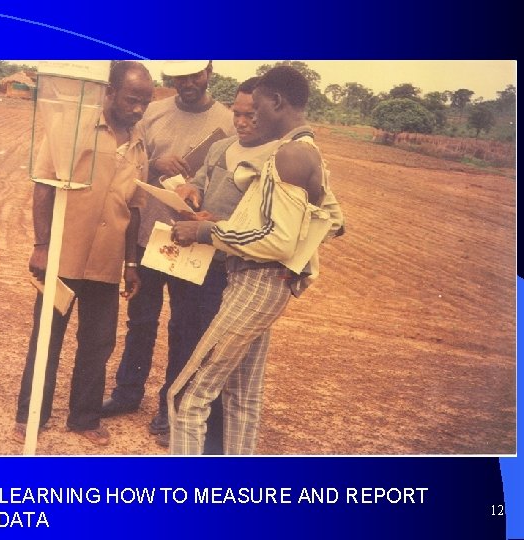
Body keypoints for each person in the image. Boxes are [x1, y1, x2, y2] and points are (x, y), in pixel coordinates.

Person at [168, 66, 345, 455]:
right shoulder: (309, 151)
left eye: (258, 107)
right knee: (242, 398)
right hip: (271, 286)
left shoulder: (289, 154)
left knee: (187, 397)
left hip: (252, 284)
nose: (252, 116)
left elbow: (278, 241)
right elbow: (333, 221)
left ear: (277, 102)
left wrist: (207, 233)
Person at [13, 61, 154, 447]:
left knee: (98, 342)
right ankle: (31, 415)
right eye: (132, 99)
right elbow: (43, 187)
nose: (138, 109)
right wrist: (42, 247)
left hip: (107, 263)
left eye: (145, 101)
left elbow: (135, 208)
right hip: (63, 254)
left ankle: (84, 417)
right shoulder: (71, 126)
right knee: (48, 336)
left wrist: (130, 264)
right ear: (109, 92)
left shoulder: (140, 144)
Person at [101, 61, 235, 442]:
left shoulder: (226, 122)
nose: (188, 83)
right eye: (181, 76)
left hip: (190, 240)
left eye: (196, 75)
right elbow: (129, 167)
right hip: (148, 234)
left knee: (184, 328)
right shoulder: (153, 112)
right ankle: (126, 394)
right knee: (141, 321)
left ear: (209, 70)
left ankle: (170, 409)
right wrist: (154, 165)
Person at [152, 76, 280, 450]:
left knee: (220, 357)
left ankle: (213, 441)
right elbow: (203, 185)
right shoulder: (222, 148)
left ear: (270, 113)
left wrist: (215, 226)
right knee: (182, 336)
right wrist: (191, 192)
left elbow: (262, 224)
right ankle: (171, 416)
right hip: (196, 264)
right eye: (237, 114)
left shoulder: (277, 160)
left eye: (250, 116)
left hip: (235, 273)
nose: (240, 122)